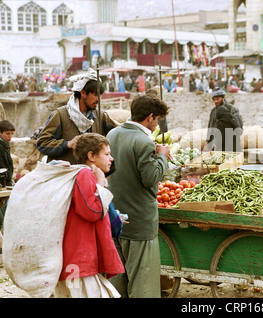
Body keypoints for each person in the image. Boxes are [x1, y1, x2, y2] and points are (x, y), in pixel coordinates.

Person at [107, 95, 171, 298]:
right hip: (139, 221)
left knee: (118, 277)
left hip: (115, 216)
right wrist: (162, 156)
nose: (157, 124)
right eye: (158, 119)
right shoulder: (143, 141)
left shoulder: (112, 134)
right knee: (142, 280)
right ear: (150, 117)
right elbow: (150, 178)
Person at [54, 133, 124, 298]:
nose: (111, 158)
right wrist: (100, 183)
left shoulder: (83, 174)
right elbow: (91, 212)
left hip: (80, 260)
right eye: (106, 154)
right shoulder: (85, 174)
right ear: (91, 156)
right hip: (77, 261)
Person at [37, 68, 118, 165]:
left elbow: (118, 133)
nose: (98, 100)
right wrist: (67, 144)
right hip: (67, 175)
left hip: (91, 176)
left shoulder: (100, 116)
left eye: (99, 96)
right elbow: (42, 143)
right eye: (95, 94)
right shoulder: (60, 115)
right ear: (83, 93)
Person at [205, 88, 243, 152]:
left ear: (223, 98)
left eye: (217, 99)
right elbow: (211, 127)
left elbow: (239, 128)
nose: (215, 102)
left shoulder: (231, 109)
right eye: (214, 99)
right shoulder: (213, 111)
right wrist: (209, 142)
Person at [0, 120, 15, 187]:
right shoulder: (1, 147)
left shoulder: (5, 144)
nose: (10, 136)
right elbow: (3, 167)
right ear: (0, 132)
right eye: (7, 134)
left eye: (12, 134)